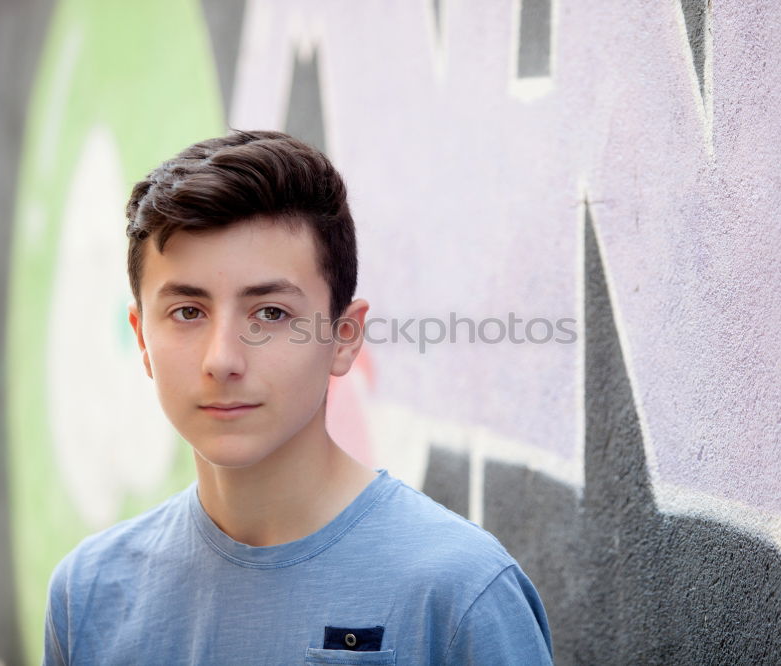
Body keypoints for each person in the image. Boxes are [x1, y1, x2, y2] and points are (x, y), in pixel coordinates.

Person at [42, 130, 553, 665]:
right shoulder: (90, 595)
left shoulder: (459, 593)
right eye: (188, 312)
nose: (222, 359)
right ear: (142, 338)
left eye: (270, 313)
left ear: (343, 338)